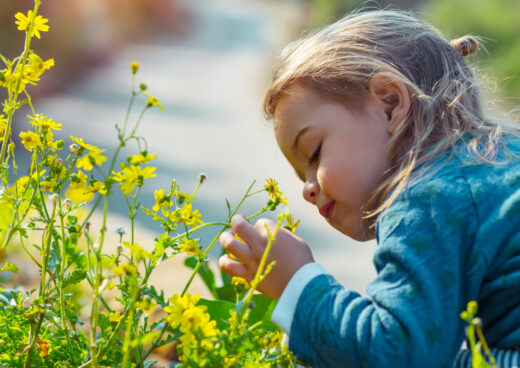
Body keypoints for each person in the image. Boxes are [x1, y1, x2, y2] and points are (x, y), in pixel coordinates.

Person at [218, 9, 520, 368]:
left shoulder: (429, 196)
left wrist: (297, 286)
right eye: (302, 176)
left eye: (314, 154)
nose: (308, 189)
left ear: (391, 104)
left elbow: (397, 354)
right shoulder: (496, 163)